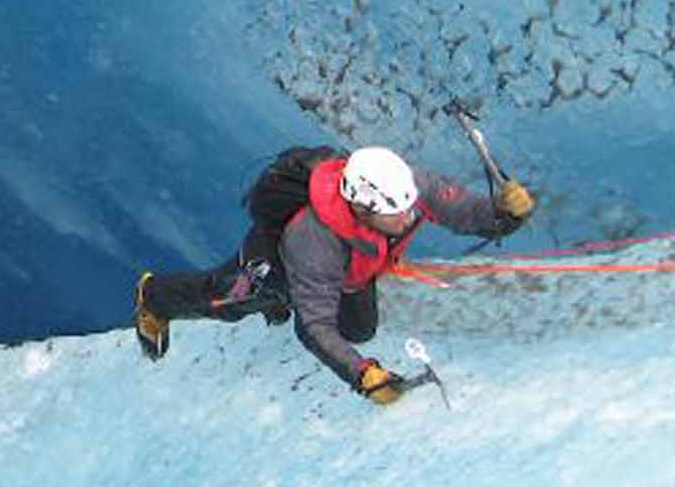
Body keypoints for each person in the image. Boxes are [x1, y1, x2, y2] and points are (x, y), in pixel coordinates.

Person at [133, 143, 535, 404]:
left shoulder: (406, 188)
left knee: (359, 330)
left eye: (409, 207)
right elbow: (314, 327)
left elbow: (462, 211)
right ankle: (153, 298)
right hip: (276, 266)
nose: (409, 216)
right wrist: (362, 375)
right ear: (362, 208)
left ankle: (286, 301)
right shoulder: (314, 240)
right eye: (396, 212)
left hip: (347, 273)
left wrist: (503, 213)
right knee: (223, 301)